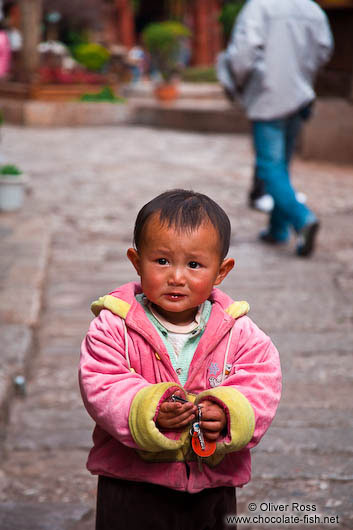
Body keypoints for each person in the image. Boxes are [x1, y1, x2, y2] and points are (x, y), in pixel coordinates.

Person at [79, 189, 282, 530]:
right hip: (131, 484)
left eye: (194, 264)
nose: (176, 276)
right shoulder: (114, 326)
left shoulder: (239, 332)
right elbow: (102, 383)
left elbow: (262, 381)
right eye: (161, 261)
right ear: (136, 261)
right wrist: (151, 409)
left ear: (221, 271)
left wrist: (229, 412)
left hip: (212, 485)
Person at [226, 0, 333, 256]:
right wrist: (302, 75)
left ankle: (302, 218)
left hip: (267, 95)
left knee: (269, 167)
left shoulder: (259, 7)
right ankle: (278, 229)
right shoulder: (312, 9)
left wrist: (240, 84)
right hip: (299, 95)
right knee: (281, 165)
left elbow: (242, 54)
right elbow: (324, 50)